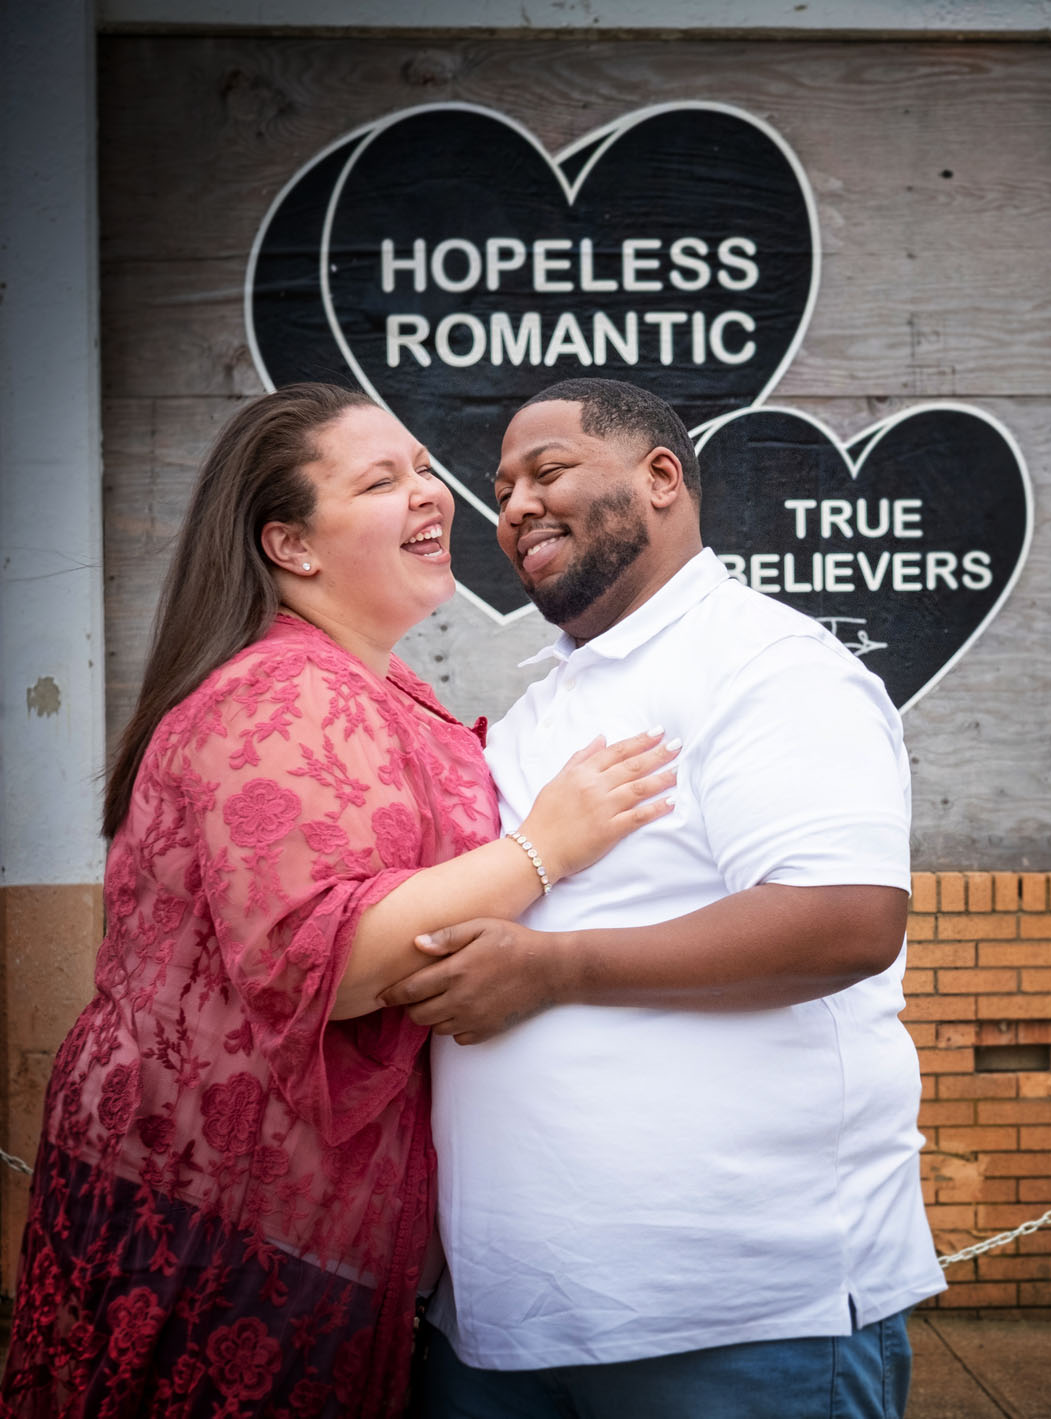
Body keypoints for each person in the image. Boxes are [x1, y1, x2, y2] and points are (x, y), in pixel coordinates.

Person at [0, 383, 677, 1418]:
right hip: (222, 1226)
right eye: (379, 480)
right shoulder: (284, 691)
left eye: (420, 467)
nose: (430, 494)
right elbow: (330, 960)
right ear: (293, 547)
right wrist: (551, 845)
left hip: (277, 1215)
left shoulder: (371, 683)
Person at [383, 377, 947, 1418]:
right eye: (501, 489)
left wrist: (554, 970)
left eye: (547, 472)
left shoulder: (769, 668)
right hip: (505, 1322)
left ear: (659, 479)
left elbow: (846, 921)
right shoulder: (537, 707)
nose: (512, 508)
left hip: (735, 1318)